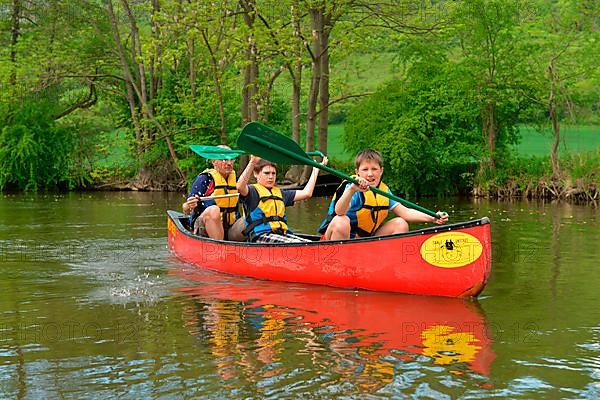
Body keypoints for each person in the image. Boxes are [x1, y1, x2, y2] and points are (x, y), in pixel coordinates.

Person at [318, 149, 448, 240]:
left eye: (374, 169)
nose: (370, 174)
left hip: (364, 242)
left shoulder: (384, 191)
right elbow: (339, 211)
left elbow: (406, 212)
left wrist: (432, 217)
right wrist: (352, 189)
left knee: (400, 223)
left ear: (381, 171)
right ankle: (338, 265)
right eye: (365, 170)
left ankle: (391, 264)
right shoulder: (352, 187)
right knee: (342, 221)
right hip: (334, 240)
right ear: (357, 172)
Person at [236, 155, 328, 243]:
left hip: (281, 234)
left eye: (273, 173)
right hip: (260, 235)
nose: (271, 177)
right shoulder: (252, 192)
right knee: (299, 245)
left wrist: (316, 169)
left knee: (309, 243)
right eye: (266, 173)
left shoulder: (282, 194)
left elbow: (307, 193)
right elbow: (240, 187)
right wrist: (252, 162)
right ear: (256, 174)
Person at [182, 145, 245, 241]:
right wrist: (189, 204)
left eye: (231, 159)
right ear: (213, 161)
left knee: (255, 214)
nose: (229, 163)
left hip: (231, 227)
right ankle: (219, 247)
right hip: (204, 227)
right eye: (224, 159)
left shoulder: (236, 181)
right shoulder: (204, 179)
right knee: (214, 210)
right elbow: (185, 209)